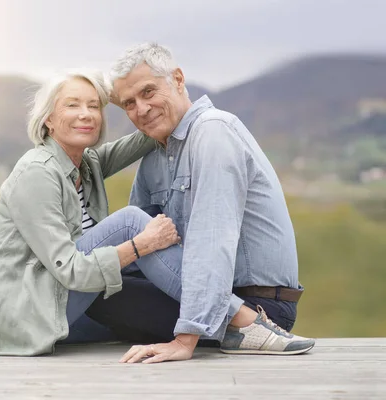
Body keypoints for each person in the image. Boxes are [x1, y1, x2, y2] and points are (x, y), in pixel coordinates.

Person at [0, 69, 214, 356]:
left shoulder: (86, 164)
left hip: (63, 304)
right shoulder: (37, 173)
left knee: (153, 317)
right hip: (23, 315)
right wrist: (141, 245)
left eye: (94, 106)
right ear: (48, 118)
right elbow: (70, 270)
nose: (86, 114)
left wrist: (125, 95)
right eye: (72, 105)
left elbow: (149, 132)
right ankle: (230, 311)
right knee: (131, 221)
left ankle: (217, 322)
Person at [103, 43, 315, 364]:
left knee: (100, 287)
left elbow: (211, 240)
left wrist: (184, 339)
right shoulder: (154, 157)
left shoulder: (214, 133)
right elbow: (140, 252)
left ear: (177, 79)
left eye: (148, 92)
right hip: (189, 293)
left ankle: (244, 326)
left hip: (259, 306)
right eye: (129, 103)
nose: (141, 109)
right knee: (99, 287)